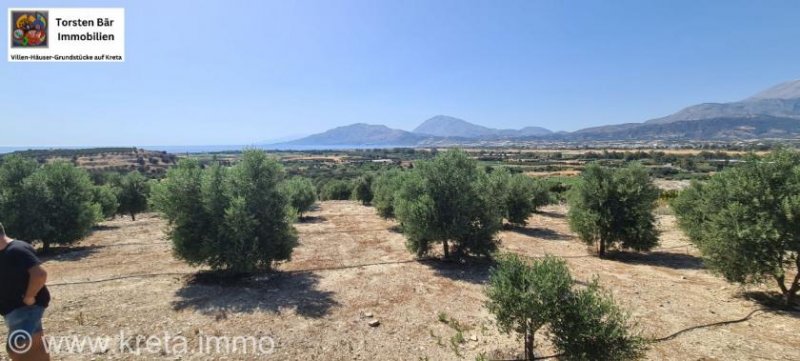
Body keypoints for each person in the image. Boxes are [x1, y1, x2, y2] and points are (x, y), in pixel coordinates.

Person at [0, 223, 50, 361]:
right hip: (15, 310)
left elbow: (39, 274)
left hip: (25, 308)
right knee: (34, 345)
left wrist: (29, 296)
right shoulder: (5, 252)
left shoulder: (17, 250)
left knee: (17, 347)